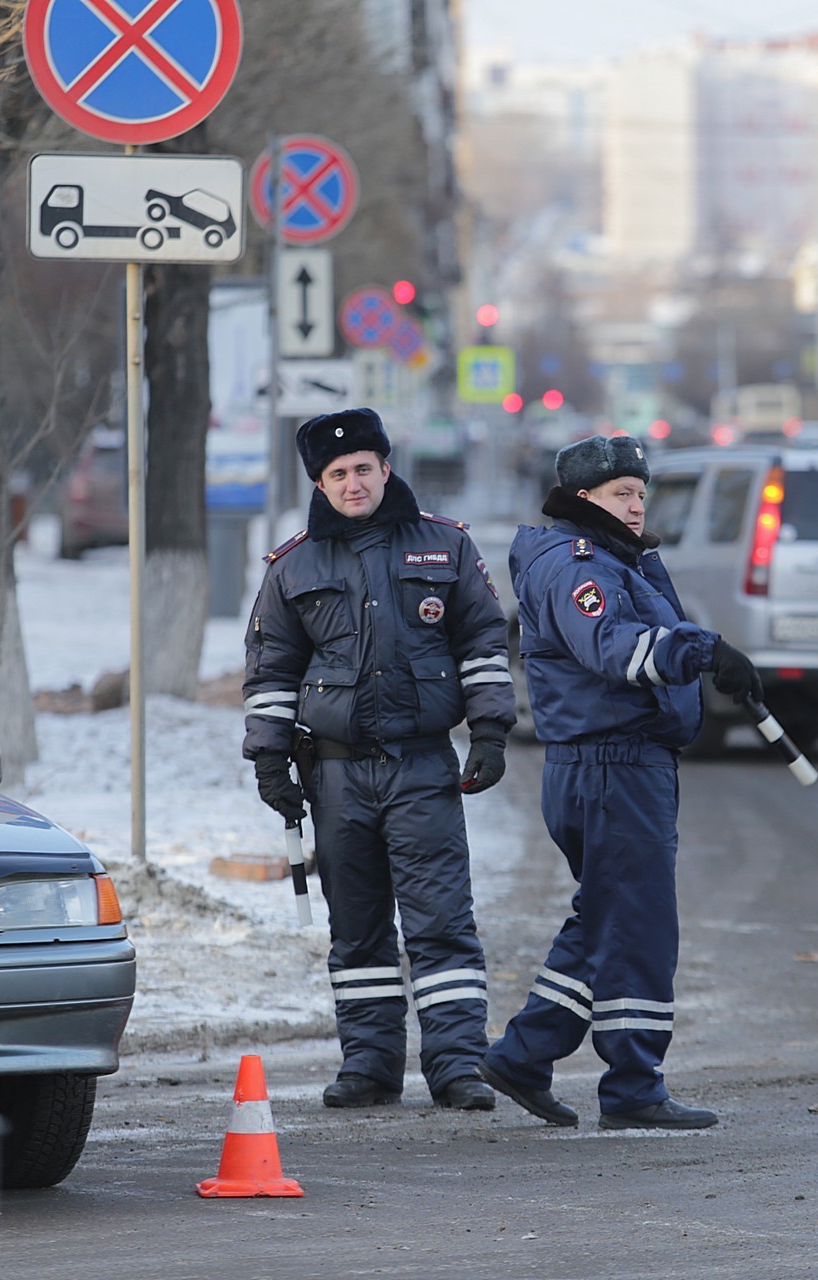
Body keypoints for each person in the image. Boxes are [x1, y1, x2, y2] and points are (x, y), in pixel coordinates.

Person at [476, 434, 761, 1130]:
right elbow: (615, 650)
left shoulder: (615, 558)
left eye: (639, 493)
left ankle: (525, 1054)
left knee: (606, 919)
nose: (635, 506)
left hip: (622, 763)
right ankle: (633, 1085)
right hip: (610, 765)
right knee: (638, 928)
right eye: (619, 495)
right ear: (583, 501)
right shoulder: (579, 567)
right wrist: (703, 650)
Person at [242, 407, 513, 1111]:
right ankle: (369, 1064)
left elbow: (483, 643)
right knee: (356, 928)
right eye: (338, 473)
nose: (353, 482)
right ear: (320, 484)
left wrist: (489, 732)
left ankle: (458, 1066)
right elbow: (270, 673)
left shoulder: (444, 546)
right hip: (334, 776)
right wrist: (270, 764)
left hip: (422, 767)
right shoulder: (293, 566)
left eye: (364, 467)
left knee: (441, 923)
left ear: (386, 469)